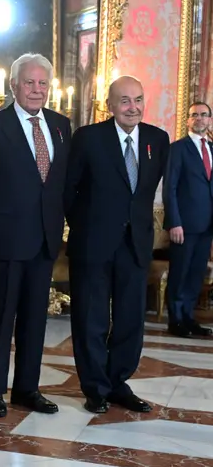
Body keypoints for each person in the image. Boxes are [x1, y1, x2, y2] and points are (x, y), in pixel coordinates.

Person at [0, 53, 69, 418]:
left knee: (35, 320)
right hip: (4, 242)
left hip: (44, 241)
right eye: (29, 82)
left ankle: (27, 388)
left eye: (42, 83)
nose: (37, 89)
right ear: (13, 86)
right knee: (0, 320)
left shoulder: (61, 126)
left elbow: (59, 184)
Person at [65, 75, 169, 414]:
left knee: (130, 320)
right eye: (124, 101)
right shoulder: (88, 138)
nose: (132, 107)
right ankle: (95, 388)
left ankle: (117, 382)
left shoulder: (158, 139)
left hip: (135, 244)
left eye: (138, 100)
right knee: (91, 319)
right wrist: (85, 226)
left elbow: (145, 192)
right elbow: (69, 190)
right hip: (93, 243)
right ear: (109, 105)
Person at [162, 101, 213, 338]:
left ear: (209, 120)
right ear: (187, 121)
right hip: (184, 225)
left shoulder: (211, 148)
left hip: (207, 225)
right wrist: (174, 222)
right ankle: (176, 321)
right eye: (194, 115)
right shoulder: (178, 149)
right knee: (180, 273)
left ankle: (189, 318)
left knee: (196, 274)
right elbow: (169, 188)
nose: (199, 118)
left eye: (203, 115)